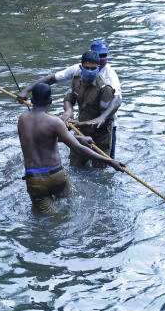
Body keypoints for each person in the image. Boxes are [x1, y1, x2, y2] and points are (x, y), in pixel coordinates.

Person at [18, 83, 123, 213]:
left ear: (32, 100)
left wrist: (78, 138)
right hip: (57, 176)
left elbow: (42, 139)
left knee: (47, 219)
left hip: (34, 180)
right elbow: (77, 148)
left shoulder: (22, 120)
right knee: (71, 205)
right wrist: (110, 161)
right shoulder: (55, 122)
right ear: (50, 101)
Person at [61, 50, 120, 166]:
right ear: (80, 67)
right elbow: (69, 98)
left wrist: (78, 124)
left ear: (98, 68)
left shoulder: (104, 88)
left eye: (93, 68)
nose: (90, 71)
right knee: (75, 165)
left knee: (99, 169)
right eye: (87, 68)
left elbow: (102, 120)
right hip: (81, 130)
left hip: (100, 135)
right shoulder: (76, 78)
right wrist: (68, 111)